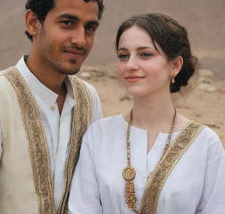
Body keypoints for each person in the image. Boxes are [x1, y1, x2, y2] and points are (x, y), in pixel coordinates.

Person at [0, 0, 105, 214]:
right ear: (33, 22)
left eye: (90, 28)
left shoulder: (89, 99)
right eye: (67, 23)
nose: (80, 39)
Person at [68, 13, 225, 213]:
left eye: (145, 54)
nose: (130, 65)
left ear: (175, 65)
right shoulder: (99, 136)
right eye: (124, 56)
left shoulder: (204, 144)